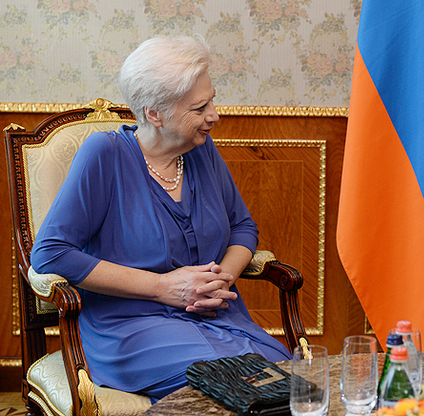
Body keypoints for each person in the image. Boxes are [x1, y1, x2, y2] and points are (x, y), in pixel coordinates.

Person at [31, 35, 291, 401]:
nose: (214, 115)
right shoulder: (104, 154)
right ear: (154, 113)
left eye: (212, 100)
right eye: (200, 108)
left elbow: (243, 228)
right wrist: (162, 287)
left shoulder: (202, 150)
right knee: (231, 382)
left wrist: (221, 279)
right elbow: (51, 253)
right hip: (131, 327)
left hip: (216, 318)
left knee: (287, 376)